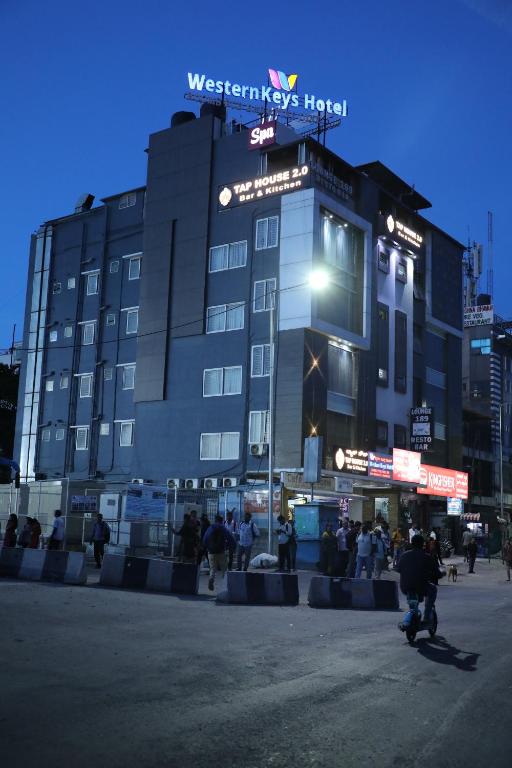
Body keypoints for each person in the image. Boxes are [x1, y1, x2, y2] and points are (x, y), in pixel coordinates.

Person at [397, 534, 438, 624]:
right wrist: (439, 574)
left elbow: (398, 569)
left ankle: (413, 612)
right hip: (421, 587)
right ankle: (426, 616)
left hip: (405, 587)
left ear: (412, 543)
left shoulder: (404, 555)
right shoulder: (426, 557)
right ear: (422, 544)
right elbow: (436, 571)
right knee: (433, 589)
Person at [203, 514, 235, 591]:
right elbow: (230, 538)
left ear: (215, 520)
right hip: (221, 551)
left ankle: (211, 578)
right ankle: (225, 585)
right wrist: (232, 546)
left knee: (213, 569)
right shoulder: (222, 527)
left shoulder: (210, 528)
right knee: (224, 569)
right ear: (221, 520)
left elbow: (205, 539)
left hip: (211, 552)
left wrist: (206, 547)